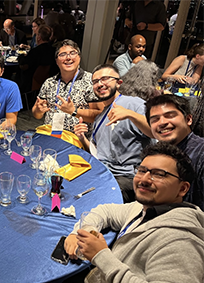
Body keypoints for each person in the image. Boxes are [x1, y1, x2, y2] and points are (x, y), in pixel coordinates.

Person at [64, 141, 204, 283]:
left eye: (158, 174)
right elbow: (105, 211)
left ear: (183, 188)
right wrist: (82, 231)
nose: (144, 179)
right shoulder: (144, 208)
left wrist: (101, 256)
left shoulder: (182, 241)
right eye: (142, 170)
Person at [74, 64, 153, 203]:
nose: (99, 84)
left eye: (105, 79)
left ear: (119, 83)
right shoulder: (100, 117)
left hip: (126, 176)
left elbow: (156, 132)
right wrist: (82, 138)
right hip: (103, 171)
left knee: (98, 201)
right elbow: (98, 152)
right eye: (95, 81)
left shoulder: (133, 104)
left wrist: (130, 114)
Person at [145, 94, 204, 211]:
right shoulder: (158, 152)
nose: (162, 122)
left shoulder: (201, 153)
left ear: (188, 119)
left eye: (170, 116)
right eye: (155, 119)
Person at [32, 40, 103, 136]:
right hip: (50, 135)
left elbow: (100, 115)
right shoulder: (49, 82)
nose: (68, 58)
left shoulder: (91, 81)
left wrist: (74, 111)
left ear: (79, 57)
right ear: (57, 61)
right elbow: (37, 115)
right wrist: (38, 110)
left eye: (72, 53)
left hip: (76, 138)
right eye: (63, 54)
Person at [18, 25, 55, 93]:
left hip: (32, 83)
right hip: (49, 81)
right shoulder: (53, 50)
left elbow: (24, 65)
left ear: (39, 38)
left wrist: (21, 57)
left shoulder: (35, 52)